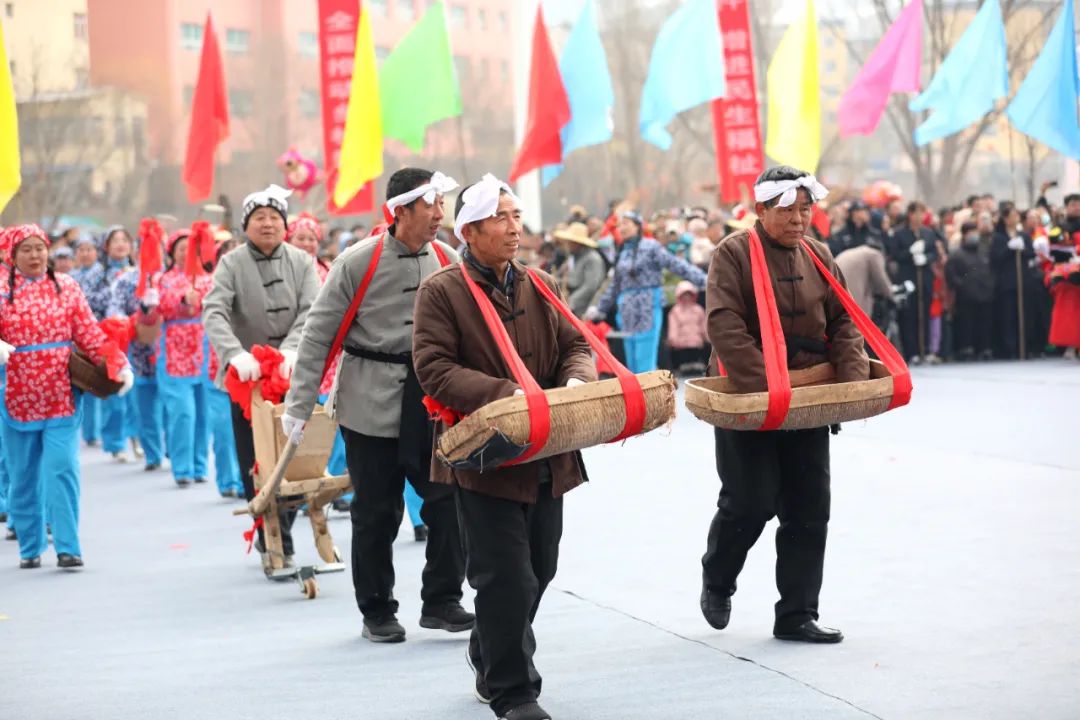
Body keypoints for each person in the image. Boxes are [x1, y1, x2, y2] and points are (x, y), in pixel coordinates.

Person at [413, 173, 597, 720]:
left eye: (517, 217)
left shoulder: (541, 283)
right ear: (469, 230)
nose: (514, 228)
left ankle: (488, 652)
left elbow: (575, 343)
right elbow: (434, 368)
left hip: (548, 451)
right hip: (484, 457)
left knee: (541, 568)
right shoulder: (441, 291)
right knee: (504, 577)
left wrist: (576, 380)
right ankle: (515, 692)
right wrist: (509, 396)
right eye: (501, 218)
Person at [283, 168, 470, 643]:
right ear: (401, 209)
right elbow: (317, 337)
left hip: (431, 403)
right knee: (376, 513)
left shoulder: (447, 258)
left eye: (440, 202)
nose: (438, 212)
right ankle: (377, 610)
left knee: (448, 503)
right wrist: (300, 406)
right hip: (369, 401)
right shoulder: (357, 262)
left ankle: (443, 600)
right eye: (429, 203)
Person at [700, 166, 869, 644]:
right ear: (760, 210)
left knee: (809, 507)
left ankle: (796, 613)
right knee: (749, 503)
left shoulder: (819, 254)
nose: (799, 219)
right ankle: (717, 578)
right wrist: (769, 389)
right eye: (788, 210)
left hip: (809, 397)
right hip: (750, 395)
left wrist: (850, 386)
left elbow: (843, 320)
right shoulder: (732, 253)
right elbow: (725, 326)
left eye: (805, 209)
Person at [0, 224, 134, 569]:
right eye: (25, 249)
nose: (34, 255)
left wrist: (116, 363)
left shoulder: (67, 287)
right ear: (13, 256)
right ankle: (30, 546)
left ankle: (68, 546)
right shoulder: (1, 290)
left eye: (39, 248)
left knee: (61, 467)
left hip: (62, 393)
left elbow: (90, 334)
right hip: (17, 395)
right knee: (23, 473)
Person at [203, 184, 320, 570]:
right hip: (247, 379)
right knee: (254, 459)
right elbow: (215, 311)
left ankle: (282, 526)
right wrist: (235, 354)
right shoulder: (231, 263)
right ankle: (274, 536)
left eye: (274, 217)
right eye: (259, 218)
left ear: (284, 224)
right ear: (246, 225)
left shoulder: (301, 262)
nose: (267, 224)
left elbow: (312, 310)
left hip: (292, 374)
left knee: (293, 455)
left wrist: (291, 349)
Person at [587, 211, 705, 373]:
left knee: (645, 354)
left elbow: (676, 265)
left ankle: (646, 394)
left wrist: (703, 280)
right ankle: (635, 394)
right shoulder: (622, 252)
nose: (622, 228)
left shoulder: (651, 246)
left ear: (638, 226)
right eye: (620, 225)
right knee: (630, 355)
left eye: (626, 223)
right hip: (627, 308)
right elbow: (615, 285)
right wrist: (600, 308)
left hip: (648, 304)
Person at [157, 225, 214, 487]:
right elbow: (161, 306)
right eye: (181, 249)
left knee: (203, 412)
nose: (186, 254)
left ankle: (199, 464)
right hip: (174, 351)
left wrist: (200, 300)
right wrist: (182, 299)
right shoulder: (164, 279)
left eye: (190, 249)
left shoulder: (208, 278)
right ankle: (181, 467)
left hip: (203, 348)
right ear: (172, 252)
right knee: (183, 412)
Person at [99, 227, 141, 462]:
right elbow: (89, 300)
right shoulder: (99, 274)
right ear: (106, 246)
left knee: (135, 391)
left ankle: (136, 437)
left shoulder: (138, 273)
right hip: (107, 338)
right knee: (114, 392)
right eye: (114, 240)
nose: (120, 244)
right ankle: (115, 442)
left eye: (124, 240)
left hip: (135, 339)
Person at [890, 202, 939, 363]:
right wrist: (910, 253)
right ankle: (912, 352)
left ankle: (924, 349)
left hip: (924, 277)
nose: (920, 217)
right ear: (910, 214)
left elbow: (934, 252)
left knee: (924, 314)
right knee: (909, 316)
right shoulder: (900, 234)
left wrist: (926, 258)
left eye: (922, 214)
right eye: (917, 213)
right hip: (908, 278)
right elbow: (895, 254)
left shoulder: (928, 233)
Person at [70, 237, 104, 447]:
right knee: (84, 382)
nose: (84, 253)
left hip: (99, 332)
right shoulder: (68, 278)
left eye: (88, 249)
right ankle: (89, 431)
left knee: (99, 381)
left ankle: (101, 432)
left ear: (96, 252)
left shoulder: (103, 274)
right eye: (81, 250)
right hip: (75, 337)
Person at [946, 221, 995, 361]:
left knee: (985, 322)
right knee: (966, 323)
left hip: (985, 294)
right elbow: (951, 274)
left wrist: (990, 284)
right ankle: (966, 348)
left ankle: (984, 348)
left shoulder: (984, 251)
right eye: (970, 232)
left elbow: (991, 270)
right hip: (966, 295)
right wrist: (962, 285)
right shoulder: (957, 254)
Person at [553, 222, 605, 318]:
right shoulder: (572, 258)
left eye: (570, 242)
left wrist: (571, 302)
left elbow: (590, 287)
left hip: (584, 308)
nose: (567, 245)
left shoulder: (592, 259)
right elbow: (562, 278)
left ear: (577, 243)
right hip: (571, 302)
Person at [835, 237, 892, 319]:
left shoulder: (857, 251)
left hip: (835, 286)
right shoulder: (874, 254)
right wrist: (891, 295)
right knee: (857, 320)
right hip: (850, 290)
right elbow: (881, 279)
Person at [666, 280, 709, 372]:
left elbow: (703, 325)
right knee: (684, 362)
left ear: (693, 295)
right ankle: (683, 366)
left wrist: (707, 338)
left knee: (697, 362)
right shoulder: (675, 311)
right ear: (679, 296)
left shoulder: (698, 310)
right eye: (684, 295)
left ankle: (696, 365)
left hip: (697, 343)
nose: (686, 297)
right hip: (681, 344)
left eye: (689, 294)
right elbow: (673, 327)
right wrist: (673, 340)